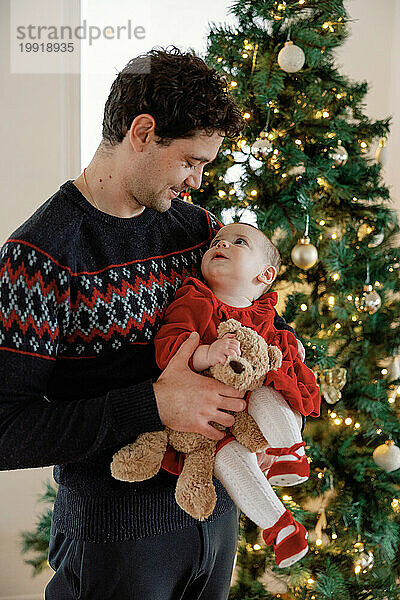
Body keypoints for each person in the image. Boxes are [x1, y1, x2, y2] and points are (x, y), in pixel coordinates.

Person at [0, 47, 303, 599]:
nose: (194, 180)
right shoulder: (39, 256)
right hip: (115, 545)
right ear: (142, 132)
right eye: (191, 161)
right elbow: (4, 430)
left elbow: (252, 324)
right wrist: (154, 404)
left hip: (215, 522)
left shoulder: (197, 231)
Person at [153, 222, 321, 568]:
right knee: (227, 461)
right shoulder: (196, 298)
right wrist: (206, 353)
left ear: (265, 274)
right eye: (217, 241)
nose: (222, 245)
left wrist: (294, 352)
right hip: (208, 418)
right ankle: (280, 527)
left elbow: (285, 355)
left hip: (253, 409)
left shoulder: (266, 313)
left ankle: (289, 450)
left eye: (238, 242)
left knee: (269, 385)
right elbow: (168, 347)